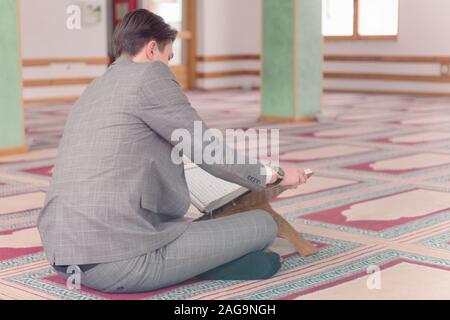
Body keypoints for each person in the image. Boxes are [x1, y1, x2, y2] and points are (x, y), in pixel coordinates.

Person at [37, 9, 309, 293]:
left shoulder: (95, 87)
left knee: (191, 228)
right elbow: (209, 151)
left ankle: (199, 263)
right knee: (263, 225)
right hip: (119, 262)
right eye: (169, 58)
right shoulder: (150, 75)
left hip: (63, 255)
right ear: (152, 48)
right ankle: (202, 266)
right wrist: (274, 175)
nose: (168, 66)